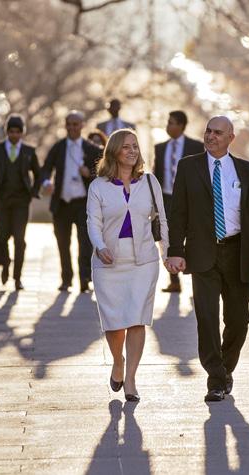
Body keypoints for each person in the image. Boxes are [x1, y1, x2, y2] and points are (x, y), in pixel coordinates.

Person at [165, 115, 249, 402]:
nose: (211, 136)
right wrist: (175, 250)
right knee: (207, 318)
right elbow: (178, 213)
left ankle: (225, 369)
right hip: (203, 254)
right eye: (208, 131)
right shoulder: (188, 167)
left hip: (239, 254)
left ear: (231, 138)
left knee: (239, 319)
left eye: (218, 132)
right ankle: (215, 378)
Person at [87, 128, 169, 402]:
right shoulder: (98, 186)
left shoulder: (149, 182)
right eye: (126, 147)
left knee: (137, 319)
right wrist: (100, 247)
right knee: (113, 322)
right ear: (114, 152)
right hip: (109, 260)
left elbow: (163, 220)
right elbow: (93, 222)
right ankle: (117, 361)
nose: (132, 151)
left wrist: (167, 253)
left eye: (135, 146)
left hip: (143, 260)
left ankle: (131, 377)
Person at [40, 111, 101, 292]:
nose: (73, 127)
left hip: (83, 204)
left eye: (76, 124)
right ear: (65, 125)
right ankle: (66, 279)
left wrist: (88, 173)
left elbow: (102, 175)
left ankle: (85, 279)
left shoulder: (92, 149)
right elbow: (46, 168)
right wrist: (46, 182)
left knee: (85, 242)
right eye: (69, 124)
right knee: (62, 243)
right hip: (62, 203)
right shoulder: (58, 147)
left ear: (82, 125)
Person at [0, 115, 40, 291]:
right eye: (11, 131)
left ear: (22, 132)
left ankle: (17, 278)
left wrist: (32, 193)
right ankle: (5, 263)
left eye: (18, 131)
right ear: (7, 131)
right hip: (1, 201)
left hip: (21, 203)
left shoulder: (29, 151)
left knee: (20, 240)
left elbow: (38, 175)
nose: (15, 135)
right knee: (1, 238)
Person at [153, 110, 204, 293]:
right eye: (167, 122)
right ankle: (174, 280)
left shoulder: (196, 146)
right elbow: (157, 176)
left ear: (182, 125)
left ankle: (194, 277)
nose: (168, 126)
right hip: (166, 199)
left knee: (192, 236)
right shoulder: (160, 148)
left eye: (172, 122)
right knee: (168, 239)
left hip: (190, 199)